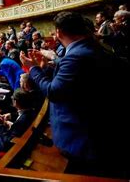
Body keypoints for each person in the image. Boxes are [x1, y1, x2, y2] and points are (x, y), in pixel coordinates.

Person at [20, 11, 129, 178]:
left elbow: (54, 92)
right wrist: (49, 66)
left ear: (58, 33)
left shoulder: (75, 57)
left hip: (83, 137)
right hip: (102, 131)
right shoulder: (95, 47)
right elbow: (77, 80)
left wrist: (33, 68)